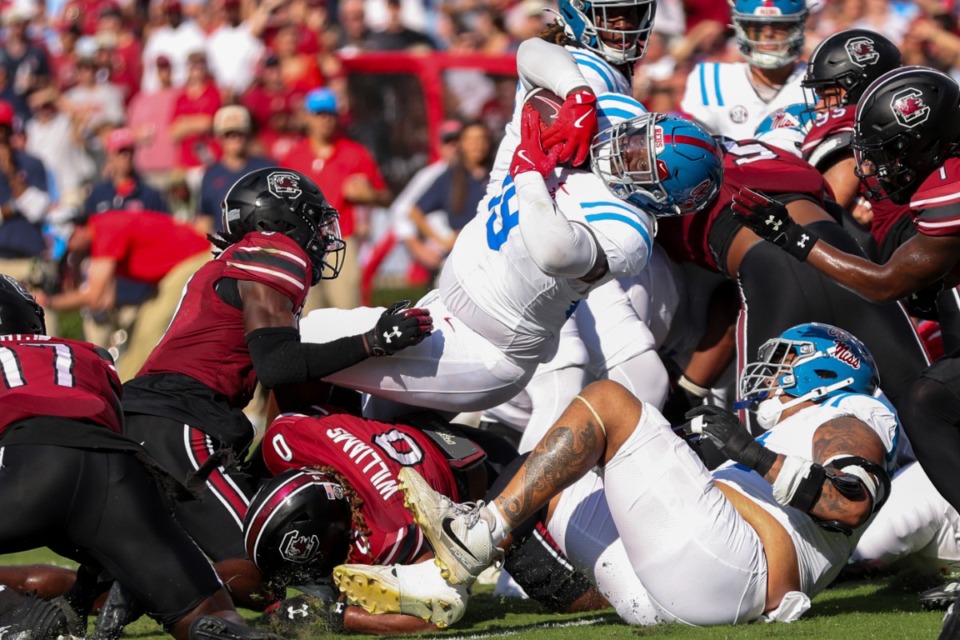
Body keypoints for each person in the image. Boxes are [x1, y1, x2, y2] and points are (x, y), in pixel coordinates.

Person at [336, 322, 897, 628]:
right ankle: (439, 587)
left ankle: (469, 543)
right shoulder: (810, 428)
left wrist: (752, 455)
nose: (770, 382)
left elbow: (849, 504)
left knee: (607, 401)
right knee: (548, 489)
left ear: (826, 375)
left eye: (784, 369)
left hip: (736, 569)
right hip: (691, 578)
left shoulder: (852, 414)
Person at [116, 167, 431, 614]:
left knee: (163, 567)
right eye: (312, 219)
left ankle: (120, 593)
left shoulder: (232, 260)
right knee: (275, 564)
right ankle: (138, 593)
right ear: (279, 220)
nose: (323, 235)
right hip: (180, 425)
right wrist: (373, 341)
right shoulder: (272, 251)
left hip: (148, 418)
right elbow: (278, 364)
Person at [302, 100, 722, 421]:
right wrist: (575, 95)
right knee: (375, 418)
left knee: (303, 341)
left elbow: (554, 250)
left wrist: (528, 174)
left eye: (639, 160)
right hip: (443, 307)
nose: (623, 149)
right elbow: (533, 55)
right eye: (634, 139)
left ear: (658, 195)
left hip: (482, 347)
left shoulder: (628, 230)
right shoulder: (603, 124)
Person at [729, 67, 960, 636]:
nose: (876, 169)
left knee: (929, 399)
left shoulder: (951, 184)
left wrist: (797, 240)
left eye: (890, 153)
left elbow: (883, 283)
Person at [0, 273, 279, 640]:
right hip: (116, 472)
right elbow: (107, 426)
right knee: (206, 615)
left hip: (28, 461)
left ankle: (14, 612)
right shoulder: (87, 354)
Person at [246, 404, 602, 633]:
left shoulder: (389, 534)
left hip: (493, 484)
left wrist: (339, 616)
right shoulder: (289, 437)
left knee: (578, 598)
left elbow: (438, 609)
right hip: (441, 435)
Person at [655, 132, 929, 429]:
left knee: (770, 442)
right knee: (928, 406)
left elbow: (725, 307)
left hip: (769, 278)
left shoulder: (669, 189)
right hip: (836, 253)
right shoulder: (769, 148)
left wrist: (688, 392)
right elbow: (849, 224)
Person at [32, 208, 211, 381]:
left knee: (148, 332)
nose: (70, 249)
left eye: (69, 242)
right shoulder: (97, 231)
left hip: (194, 259)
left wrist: (47, 301)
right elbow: (104, 301)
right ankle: (127, 389)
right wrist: (76, 261)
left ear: (78, 229)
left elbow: (95, 297)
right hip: (177, 267)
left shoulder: (106, 231)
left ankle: (129, 395)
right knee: (136, 332)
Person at [283, 87, 391, 312]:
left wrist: (368, 194)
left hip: (340, 240)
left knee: (346, 309)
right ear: (307, 117)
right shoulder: (293, 158)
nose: (325, 120)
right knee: (307, 313)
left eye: (329, 114)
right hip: (302, 241)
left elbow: (385, 197)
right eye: (319, 114)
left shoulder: (355, 153)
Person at [679, 0, 809, 140]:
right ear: (743, 27)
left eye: (780, 25)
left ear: (797, 27)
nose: (768, 33)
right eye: (757, 25)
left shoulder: (816, 81)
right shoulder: (709, 79)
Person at [197, 105, 272, 234]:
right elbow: (205, 219)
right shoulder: (210, 174)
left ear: (248, 135)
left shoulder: (266, 170)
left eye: (239, 134)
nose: (235, 139)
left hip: (259, 242)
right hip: (222, 244)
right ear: (219, 138)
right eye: (229, 134)